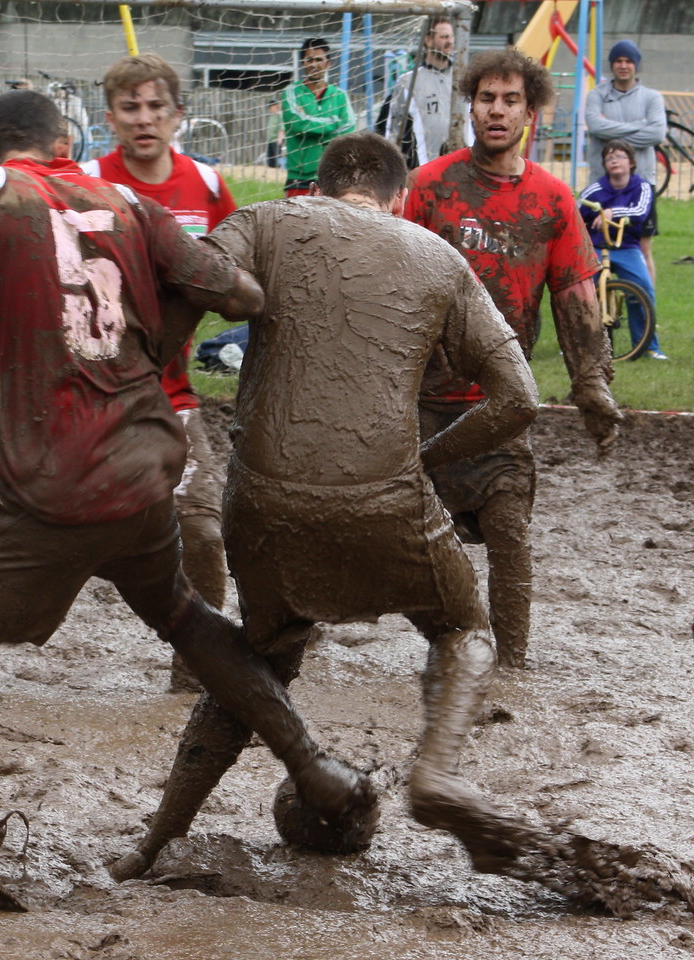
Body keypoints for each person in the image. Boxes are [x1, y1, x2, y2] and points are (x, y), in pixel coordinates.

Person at [0, 90, 366, 869]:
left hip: (45, 484)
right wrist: (158, 350)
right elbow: (240, 294)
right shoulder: (127, 202)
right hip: (144, 467)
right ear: (63, 148)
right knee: (182, 614)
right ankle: (314, 766)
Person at [111, 132, 541, 883]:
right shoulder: (438, 256)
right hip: (388, 495)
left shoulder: (267, 220)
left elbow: (185, 284)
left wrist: (146, 388)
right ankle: (436, 775)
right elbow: (520, 400)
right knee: (463, 630)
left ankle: (151, 846)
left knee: (257, 666)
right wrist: (427, 458)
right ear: (399, 199)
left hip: (265, 499)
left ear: (317, 187)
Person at [405, 48, 622, 669]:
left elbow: (577, 299)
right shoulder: (429, 187)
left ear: (531, 113)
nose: (496, 111)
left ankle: (512, 669)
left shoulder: (551, 201)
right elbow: (386, 280)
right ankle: (307, 635)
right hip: (419, 405)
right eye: (486, 99)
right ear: (470, 107)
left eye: (510, 101)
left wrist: (592, 386)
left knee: (509, 536)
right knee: (390, 542)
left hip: (500, 410)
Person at [81, 53, 237, 692]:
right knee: (45, 534)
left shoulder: (207, 185)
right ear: (110, 118)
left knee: (202, 528)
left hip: (170, 394)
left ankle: (198, 673)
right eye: (130, 107)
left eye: (155, 107)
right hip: (89, 395)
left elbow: (236, 275)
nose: (143, 119)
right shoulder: (86, 181)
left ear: (178, 115)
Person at [584, 39, 666, 291]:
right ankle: (599, 303)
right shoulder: (597, 95)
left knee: (642, 247)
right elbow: (595, 126)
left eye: (628, 61)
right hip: (603, 186)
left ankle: (645, 303)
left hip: (641, 185)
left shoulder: (651, 97)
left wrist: (611, 134)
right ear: (612, 65)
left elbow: (657, 134)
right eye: (618, 61)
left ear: (636, 65)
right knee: (595, 247)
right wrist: (640, 126)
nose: (623, 65)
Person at [578, 139, 665, 359]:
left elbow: (640, 212)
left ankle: (648, 346)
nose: (614, 161)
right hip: (597, 247)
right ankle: (580, 344)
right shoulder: (594, 190)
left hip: (627, 248)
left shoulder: (642, 187)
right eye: (609, 158)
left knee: (642, 288)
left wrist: (611, 212)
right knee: (584, 292)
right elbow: (575, 213)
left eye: (619, 156)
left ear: (631, 163)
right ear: (604, 165)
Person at [382, 16, 471, 167]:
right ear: (428, 40)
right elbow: (393, 132)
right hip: (427, 169)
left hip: (466, 168)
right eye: (444, 37)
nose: (449, 41)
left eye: (451, 37)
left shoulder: (465, 78)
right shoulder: (408, 82)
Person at [280, 38, 356, 197]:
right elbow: (297, 124)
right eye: (309, 60)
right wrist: (334, 122)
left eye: (319, 60)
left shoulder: (340, 95)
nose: (313, 64)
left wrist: (311, 127)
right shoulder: (291, 92)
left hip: (334, 177)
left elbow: (349, 128)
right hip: (299, 179)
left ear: (328, 63)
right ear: (303, 63)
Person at [265, 100, 284, 168]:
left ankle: (279, 169)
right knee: (270, 159)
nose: (277, 107)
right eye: (274, 106)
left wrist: (280, 138)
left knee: (277, 158)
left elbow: (282, 127)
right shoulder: (271, 116)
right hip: (270, 139)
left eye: (277, 105)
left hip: (276, 139)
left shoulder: (279, 115)